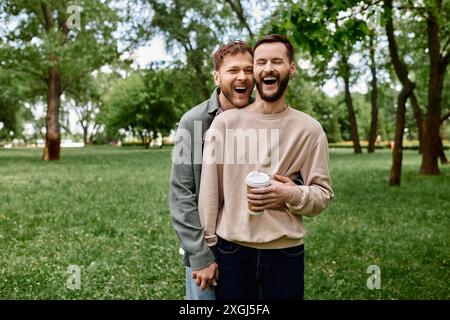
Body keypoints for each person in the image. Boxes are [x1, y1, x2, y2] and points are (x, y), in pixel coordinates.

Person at [198, 34, 334, 300]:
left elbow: (323, 194)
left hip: (286, 252)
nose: (268, 68)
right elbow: (209, 194)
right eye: (261, 62)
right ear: (255, 71)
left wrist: (291, 194)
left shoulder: (309, 129)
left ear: (291, 68)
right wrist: (207, 251)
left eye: (277, 61)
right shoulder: (226, 124)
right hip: (232, 251)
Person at [169, 40, 298, 300]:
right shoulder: (194, 122)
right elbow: (181, 193)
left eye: (249, 70)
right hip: (205, 246)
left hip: (249, 248)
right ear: (217, 76)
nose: (243, 77)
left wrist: (293, 187)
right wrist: (201, 256)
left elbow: (288, 172)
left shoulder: (267, 117)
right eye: (232, 70)